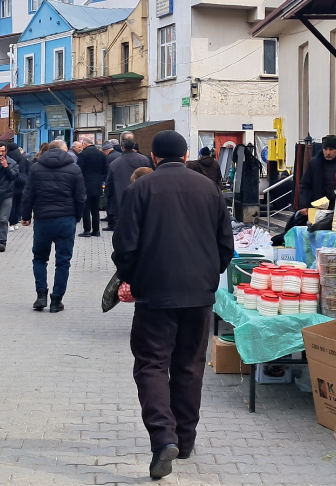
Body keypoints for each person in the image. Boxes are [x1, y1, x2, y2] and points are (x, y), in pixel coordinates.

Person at [112, 130, 234, 480]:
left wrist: (132, 278)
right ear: (185, 155)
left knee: (151, 363)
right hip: (199, 293)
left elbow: (124, 244)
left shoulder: (140, 189)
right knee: (190, 365)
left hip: (155, 293)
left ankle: (163, 437)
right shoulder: (209, 189)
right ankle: (185, 438)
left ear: (153, 157)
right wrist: (208, 273)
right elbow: (225, 244)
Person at [18, 139, 86, 313]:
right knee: (63, 261)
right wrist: (77, 216)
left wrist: (26, 216)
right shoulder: (74, 169)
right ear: (64, 150)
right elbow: (80, 197)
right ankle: (56, 300)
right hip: (66, 219)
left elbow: (28, 194)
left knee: (40, 258)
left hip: (43, 219)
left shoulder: (36, 168)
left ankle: (41, 295)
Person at [297, 135, 336, 210]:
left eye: (331, 149)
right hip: (320, 207)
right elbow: (305, 185)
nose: (328, 152)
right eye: (325, 149)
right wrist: (303, 205)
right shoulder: (315, 163)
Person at [106, 139, 152, 222]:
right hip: (142, 200)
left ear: (121, 145)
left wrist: (110, 202)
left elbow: (109, 185)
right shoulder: (144, 160)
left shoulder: (115, 163)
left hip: (121, 201)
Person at [76, 137, 108, 237]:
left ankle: (86, 230)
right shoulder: (101, 154)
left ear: (85, 144)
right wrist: (100, 178)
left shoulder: (83, 154)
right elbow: (105, 170)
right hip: (97, 184)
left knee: (86, 208)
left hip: (86, 184)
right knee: (95, 209)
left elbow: (79, 170)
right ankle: (96, 230)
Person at [7, 143, 30, 227]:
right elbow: (28, 171)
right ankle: (17, 219)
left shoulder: (7, 158)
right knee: (19, 203)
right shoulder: (23, 158)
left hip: (10, 183)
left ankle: (11, 222)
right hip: (22, 183)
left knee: (11, 204)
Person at [103, 140, 122, 230]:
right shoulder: (120, 155)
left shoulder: (108, 158)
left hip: (111, 181)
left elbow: (107, 171)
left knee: (110, 202)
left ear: (106, 151)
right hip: (120, 180)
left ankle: (112, 223)